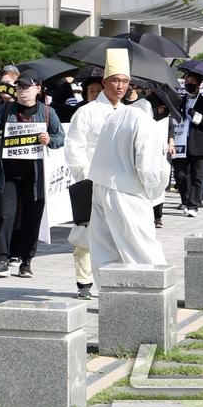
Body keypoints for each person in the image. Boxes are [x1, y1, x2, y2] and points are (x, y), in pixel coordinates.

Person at [0, 69, 65, 279]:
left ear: (38, 89)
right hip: (8, 175)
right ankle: (2, 260)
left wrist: (49, 140)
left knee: (32, 219)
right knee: (5, 216)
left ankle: (26, 262)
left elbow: (60, 137)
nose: (22, 90)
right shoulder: (7, 109)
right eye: (19, 86)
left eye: (26, 86)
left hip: (35, 178)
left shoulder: (47, 112)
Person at [62, 50, 131, 300]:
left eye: (124, 81)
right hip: (91, 179)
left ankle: (114, 279)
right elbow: (74, 146)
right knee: (86, 233)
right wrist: (83, 176)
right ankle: (84, 281)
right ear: (104, 82)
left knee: (119, 233)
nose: (120, 86)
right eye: (115, 80)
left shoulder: (129, 113)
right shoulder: (87, 112)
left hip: (121, 182)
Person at [88, 81, 173, 273]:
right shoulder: (145, 122)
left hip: (101, 185)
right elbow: (149, 169)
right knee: (142, 250)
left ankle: (108, 288)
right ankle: (152, 288)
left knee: (105, 250)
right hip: (127, 190)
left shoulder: (117, 113)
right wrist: (154, 191)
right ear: (161, 109)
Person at [172, 74, 203, 216]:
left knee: (198, 176)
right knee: (180, 175)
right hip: (181, 142)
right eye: (187, 81)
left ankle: (193, 205)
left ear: (198, 84)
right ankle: (185, 201)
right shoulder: (180, 100)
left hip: (199, 143)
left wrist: (195, 115)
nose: (188, 84)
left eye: (191, 82)